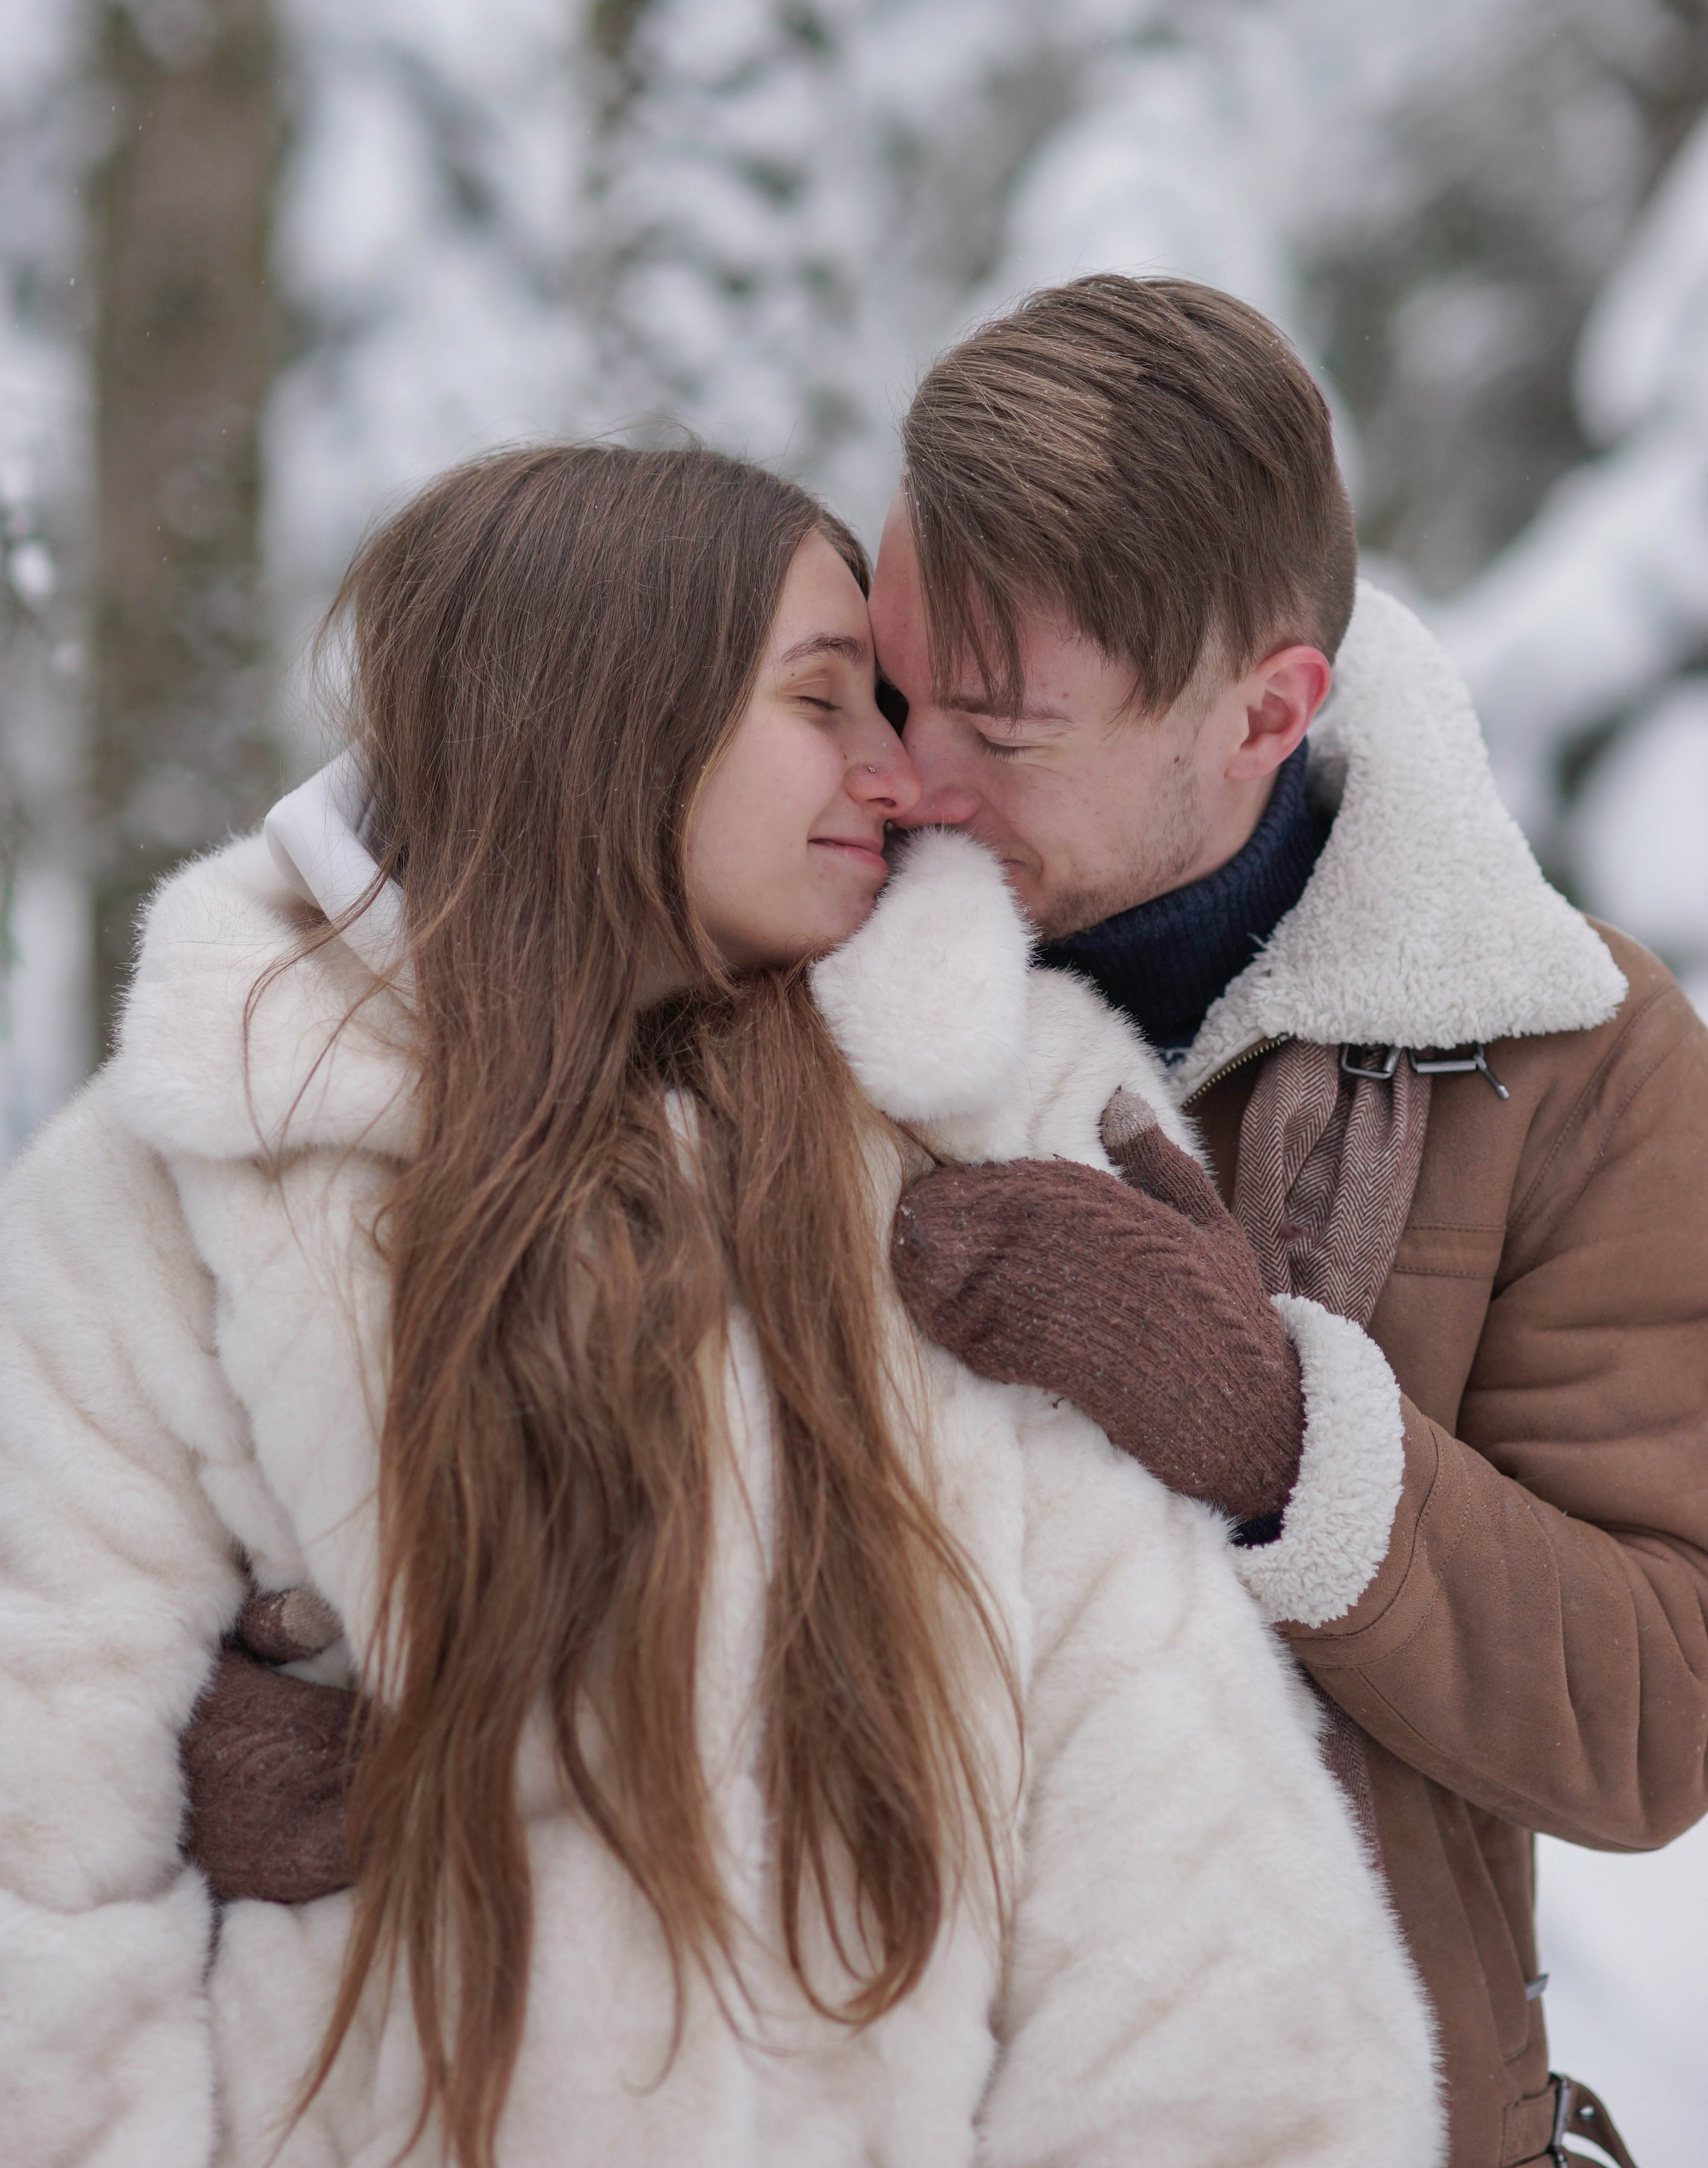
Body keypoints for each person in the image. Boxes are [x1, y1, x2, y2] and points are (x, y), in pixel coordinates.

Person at [0, 442, 1438, 2168]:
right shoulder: (180, 1183)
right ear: (601, 714)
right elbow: (39, 1870)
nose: (896, 775)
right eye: (823, 702)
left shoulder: (973, 1152)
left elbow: (1185, 1898)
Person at [867, 275, 1705, 2168]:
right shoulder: (785, 959)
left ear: (1267, 712)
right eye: (893, 687)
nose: (907, 784)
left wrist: (1282, 1441)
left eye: (999, 727)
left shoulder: (1574, 1065)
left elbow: (1659, 1711)